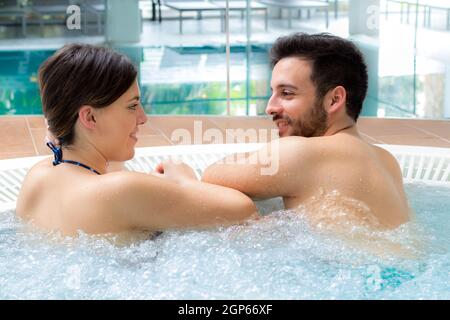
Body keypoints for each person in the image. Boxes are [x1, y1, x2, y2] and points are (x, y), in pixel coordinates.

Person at [16, 44, 257, 236]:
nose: (143, 118)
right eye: (132, 106)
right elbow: (243, 210)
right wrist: (184, 182)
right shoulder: (122, 189)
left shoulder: (38, 176)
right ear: (89, 116)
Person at [202, 33, 411, 231]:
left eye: (286, 93)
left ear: (334, 100)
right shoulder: (387, 162)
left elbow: (211, 175)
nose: (270, 107)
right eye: (272, 93)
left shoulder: (301, 154)